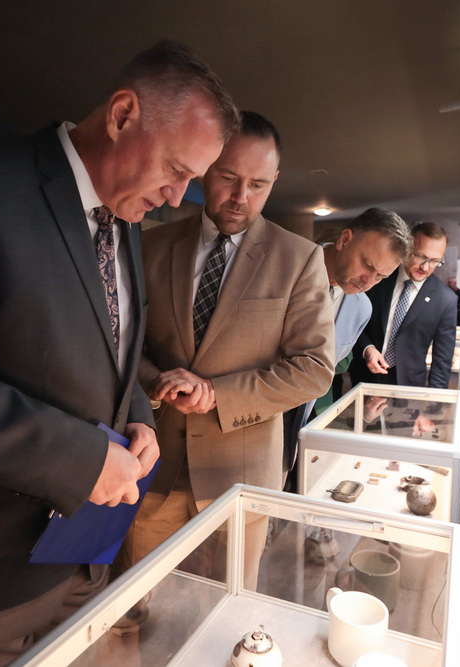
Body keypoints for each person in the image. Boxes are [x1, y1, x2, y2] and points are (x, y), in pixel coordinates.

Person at [0, 40, 239, 665]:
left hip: (80, 563)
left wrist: (137, 410)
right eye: (177, 169)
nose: (177, 197)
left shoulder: (125, 221)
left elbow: (111, 345)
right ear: (122, 114)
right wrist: (79, 458)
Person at [120, 111, 335, 588]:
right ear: (206, 166)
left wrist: (218, 394)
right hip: (153, 464)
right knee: (130, 605)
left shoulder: (299, 259)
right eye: (229, 178)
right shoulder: (149, 244)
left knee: (228, 614)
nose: (241, 197)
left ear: (275, 181)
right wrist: (155, 381)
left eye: (258, 184)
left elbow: (314, 370)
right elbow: (122, 342)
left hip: (241, 477)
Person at [282, 207, 412, 489]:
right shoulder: (284, 263)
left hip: (297, 427)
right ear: (344, 240)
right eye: (367, 265)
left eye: (380, 276)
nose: (368, 282)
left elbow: (325, 374)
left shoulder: (361, 307)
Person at [350, 221, 458, 389]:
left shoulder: (445, 300)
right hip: (364, 379)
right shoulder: (379, 278)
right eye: (420, 256)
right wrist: (367, 348)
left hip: (410, 388)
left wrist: (432, 406)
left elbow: (442, 360)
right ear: (407, 248)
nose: (425, 267)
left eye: (435, 261)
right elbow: (353, 322)